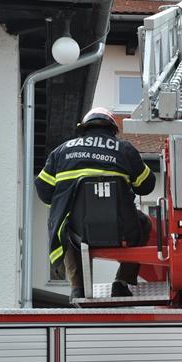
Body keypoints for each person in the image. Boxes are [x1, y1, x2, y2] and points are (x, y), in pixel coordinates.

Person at [35, 107, 156, 301]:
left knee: (64, 223)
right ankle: (121, 282)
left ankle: (77, 288)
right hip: (121, 229)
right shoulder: (125, 149)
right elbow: (147, 186)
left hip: (78, 232)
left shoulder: (62, 151)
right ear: (112, 129)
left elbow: (43, 190)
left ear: (84, 128)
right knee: (144, 223)